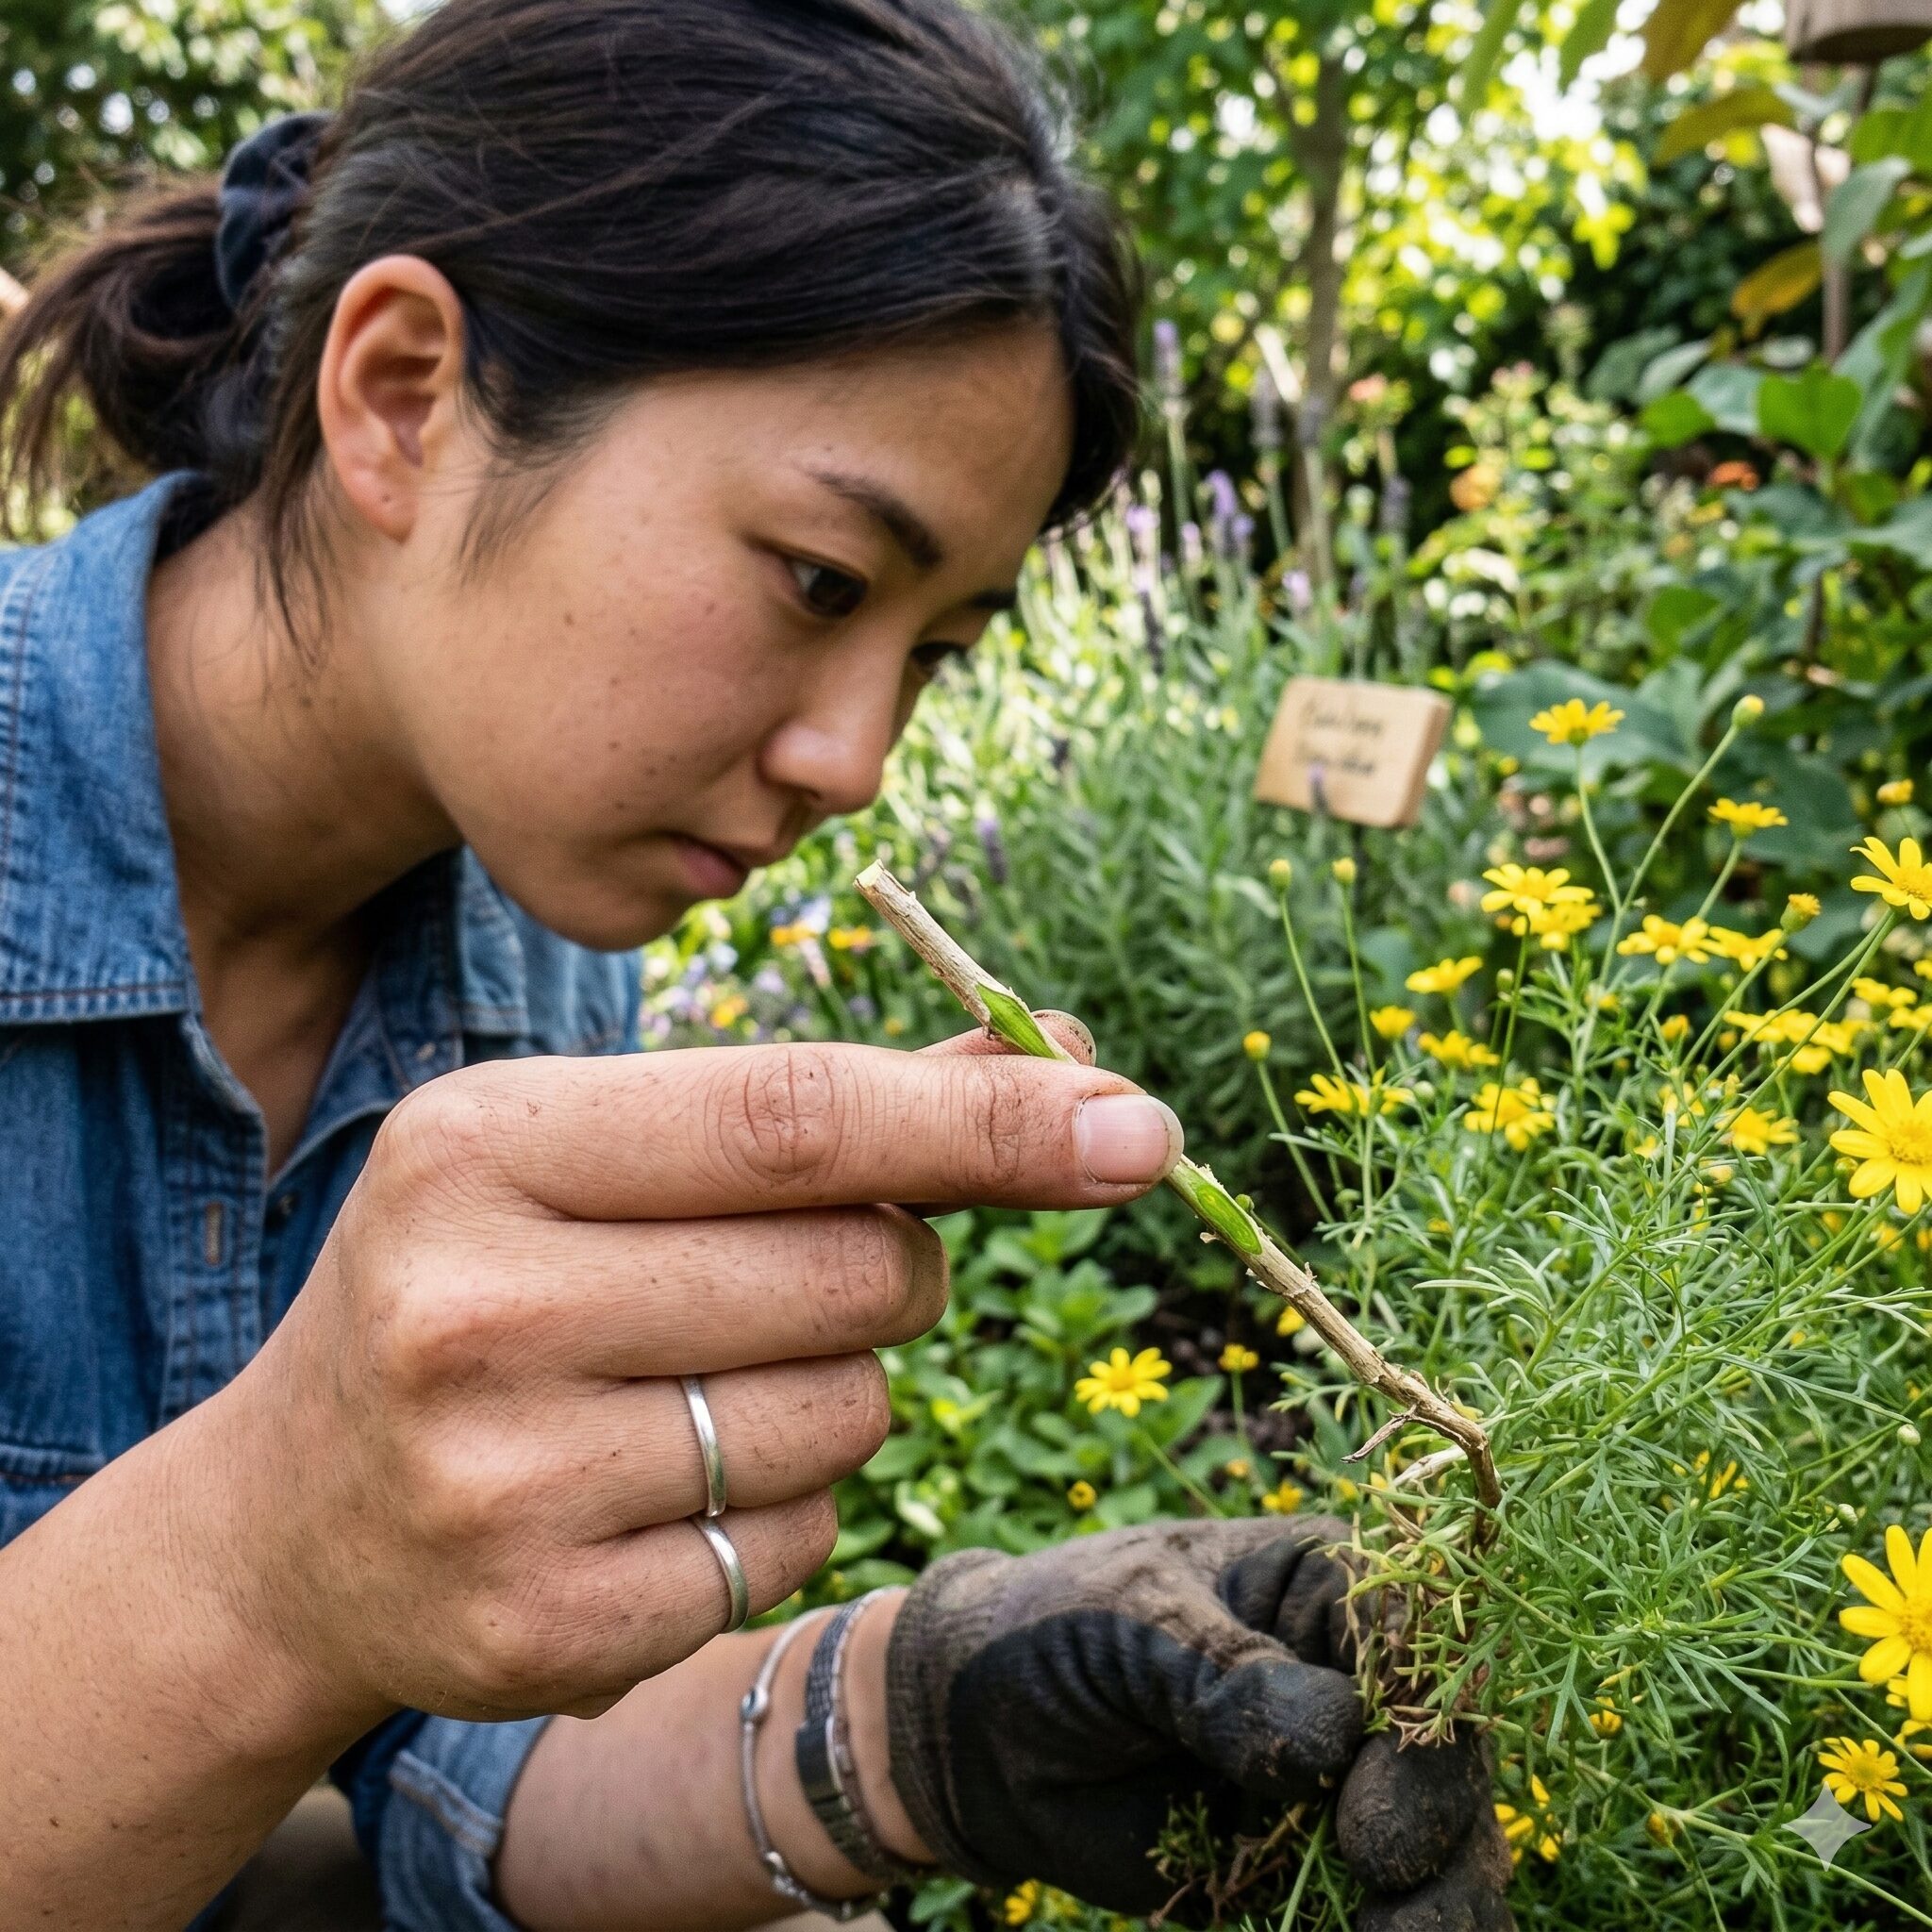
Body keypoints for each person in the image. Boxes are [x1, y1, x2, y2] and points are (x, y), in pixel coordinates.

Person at [0, 3, 1511, 1928]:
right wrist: (272, 1554)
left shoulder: (528, 967)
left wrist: (916, 1716)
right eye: (817, 578)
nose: (854, 763)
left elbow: (454, 1774)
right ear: (400, 395)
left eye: (934, 652)